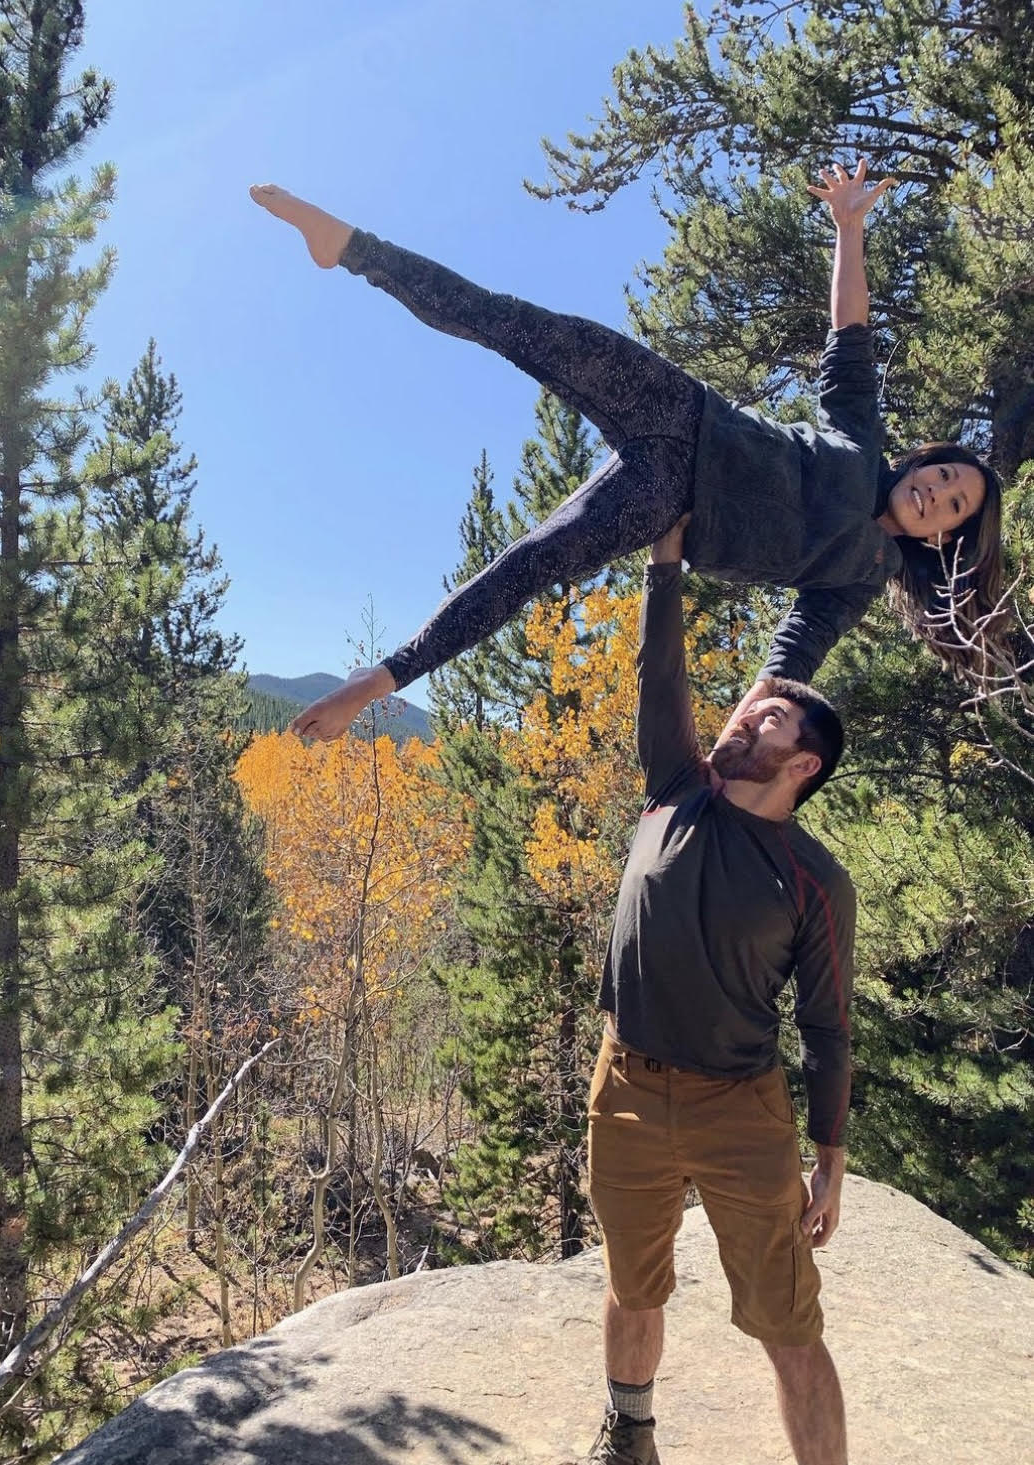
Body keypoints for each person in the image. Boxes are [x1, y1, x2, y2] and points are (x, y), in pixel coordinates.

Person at [248, 162, 1005, 743]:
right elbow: (851, 336)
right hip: (679, 406)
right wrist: (847, 228)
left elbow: (791, 656)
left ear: (948, 531)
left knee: (530, 563)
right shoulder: (860, 443)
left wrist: (734, 739)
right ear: (918, 462)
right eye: (941, 473)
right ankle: (348, 247)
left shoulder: (861, 574)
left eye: (954, 502)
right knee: (514, 323)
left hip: (666, 500)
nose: (938, 490)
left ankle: (373, 682)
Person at [571, 512, 853, 1465]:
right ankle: (630, 1433)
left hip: (742, 1109)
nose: (744, 716)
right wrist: (664, 558)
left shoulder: (814, 877)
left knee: (786, 1321)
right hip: (626, 1088)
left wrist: (831, 1154)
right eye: (745, 709)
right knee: (633, 1284)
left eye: (768, 718)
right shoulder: (671, 786)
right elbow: (662, 676)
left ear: (802, 763)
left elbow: (826, 1025)